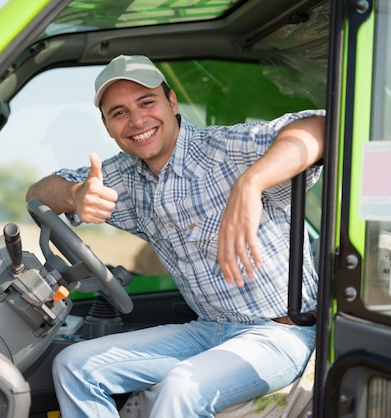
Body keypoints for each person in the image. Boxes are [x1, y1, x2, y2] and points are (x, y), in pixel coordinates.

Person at [26, 54, 325, 417]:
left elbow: (320, 127)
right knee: (73, 365)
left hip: (280, 333)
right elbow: (37, 193)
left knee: (182, 387)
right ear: (107, 126)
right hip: (208, 329)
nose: (137, 120)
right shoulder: (124, 177)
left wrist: (251, 183)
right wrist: (74, 194)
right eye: (119, 112)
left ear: (171, 102)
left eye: (147, 102)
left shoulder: (228, 149)